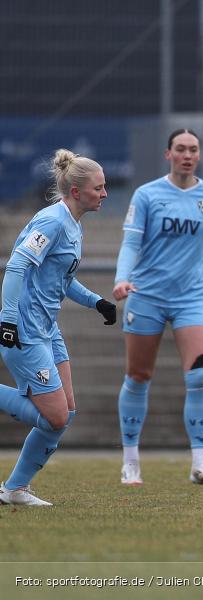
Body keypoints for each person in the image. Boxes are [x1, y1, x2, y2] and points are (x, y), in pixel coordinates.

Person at [112, 129, 203, 486]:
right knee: (138, 376)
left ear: (199, 155)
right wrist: (121, 279)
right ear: (167, 154)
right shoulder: (147, 195)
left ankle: (199, 463)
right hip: (146, 295)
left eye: (194, 150)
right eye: (181, 149)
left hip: (193, 299)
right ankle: (131, 461)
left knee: (199, 375)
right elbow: (131, 243)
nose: (188, 155)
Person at [0, 149, 116, 506]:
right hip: (25, 329)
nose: (105, 193)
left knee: (66, 412)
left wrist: (97, 301)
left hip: (48, 329)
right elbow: (16, 268)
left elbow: (62, 281)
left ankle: (15, 490)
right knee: (55, 416)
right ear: (77, 191)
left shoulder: (74, 224)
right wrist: (7, 319)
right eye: (99, 188)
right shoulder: (51, 221)